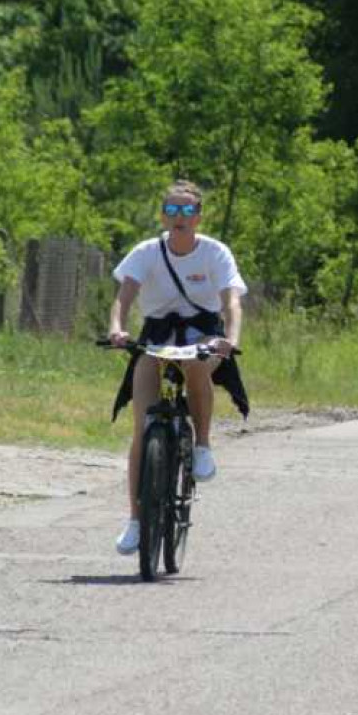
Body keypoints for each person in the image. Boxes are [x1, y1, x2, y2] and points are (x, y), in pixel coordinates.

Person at [108, 180, 247, 555]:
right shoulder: (146, 252)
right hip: (157, 337)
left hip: (203, 335)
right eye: (171, 210)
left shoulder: (215, 252)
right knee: (142, 428)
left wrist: (229, 338)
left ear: (198, 217)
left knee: (197, 365)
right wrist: (117, 329)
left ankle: (202, 445)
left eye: (187, 210)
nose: (179, 217)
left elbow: (231, 302)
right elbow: (123, 298)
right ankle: (136, 520)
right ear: (163, 216)